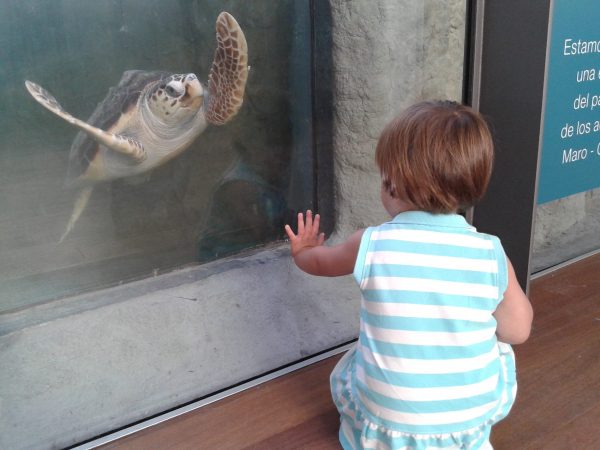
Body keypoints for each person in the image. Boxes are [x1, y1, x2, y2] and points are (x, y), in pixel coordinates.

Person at [284, 100, 533, 450]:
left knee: (355, 362)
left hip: (387, 420)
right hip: (465, 421)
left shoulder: (370, 243)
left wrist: (303, 251)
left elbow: (319, 264)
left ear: (393, 184)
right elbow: (519, 331)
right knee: (501, 348)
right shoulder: (491, 253)